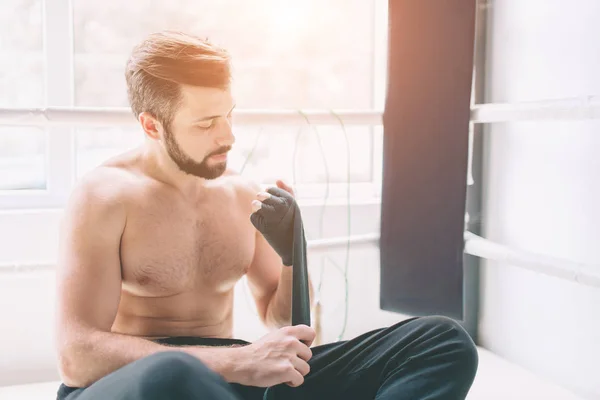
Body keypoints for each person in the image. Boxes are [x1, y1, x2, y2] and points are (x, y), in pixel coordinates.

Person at [54, 30, 478, 400]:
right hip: (140, 386)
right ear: (152, 126)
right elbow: (76, 357)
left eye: (228, 115)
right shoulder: (105, 197)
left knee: (443, 341)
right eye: (205, 124)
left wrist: (295, 252)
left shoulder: (241, 194)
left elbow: (283, 322)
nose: (228, 136)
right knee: (175, 374)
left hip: (227, 381)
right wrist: (237, 362)